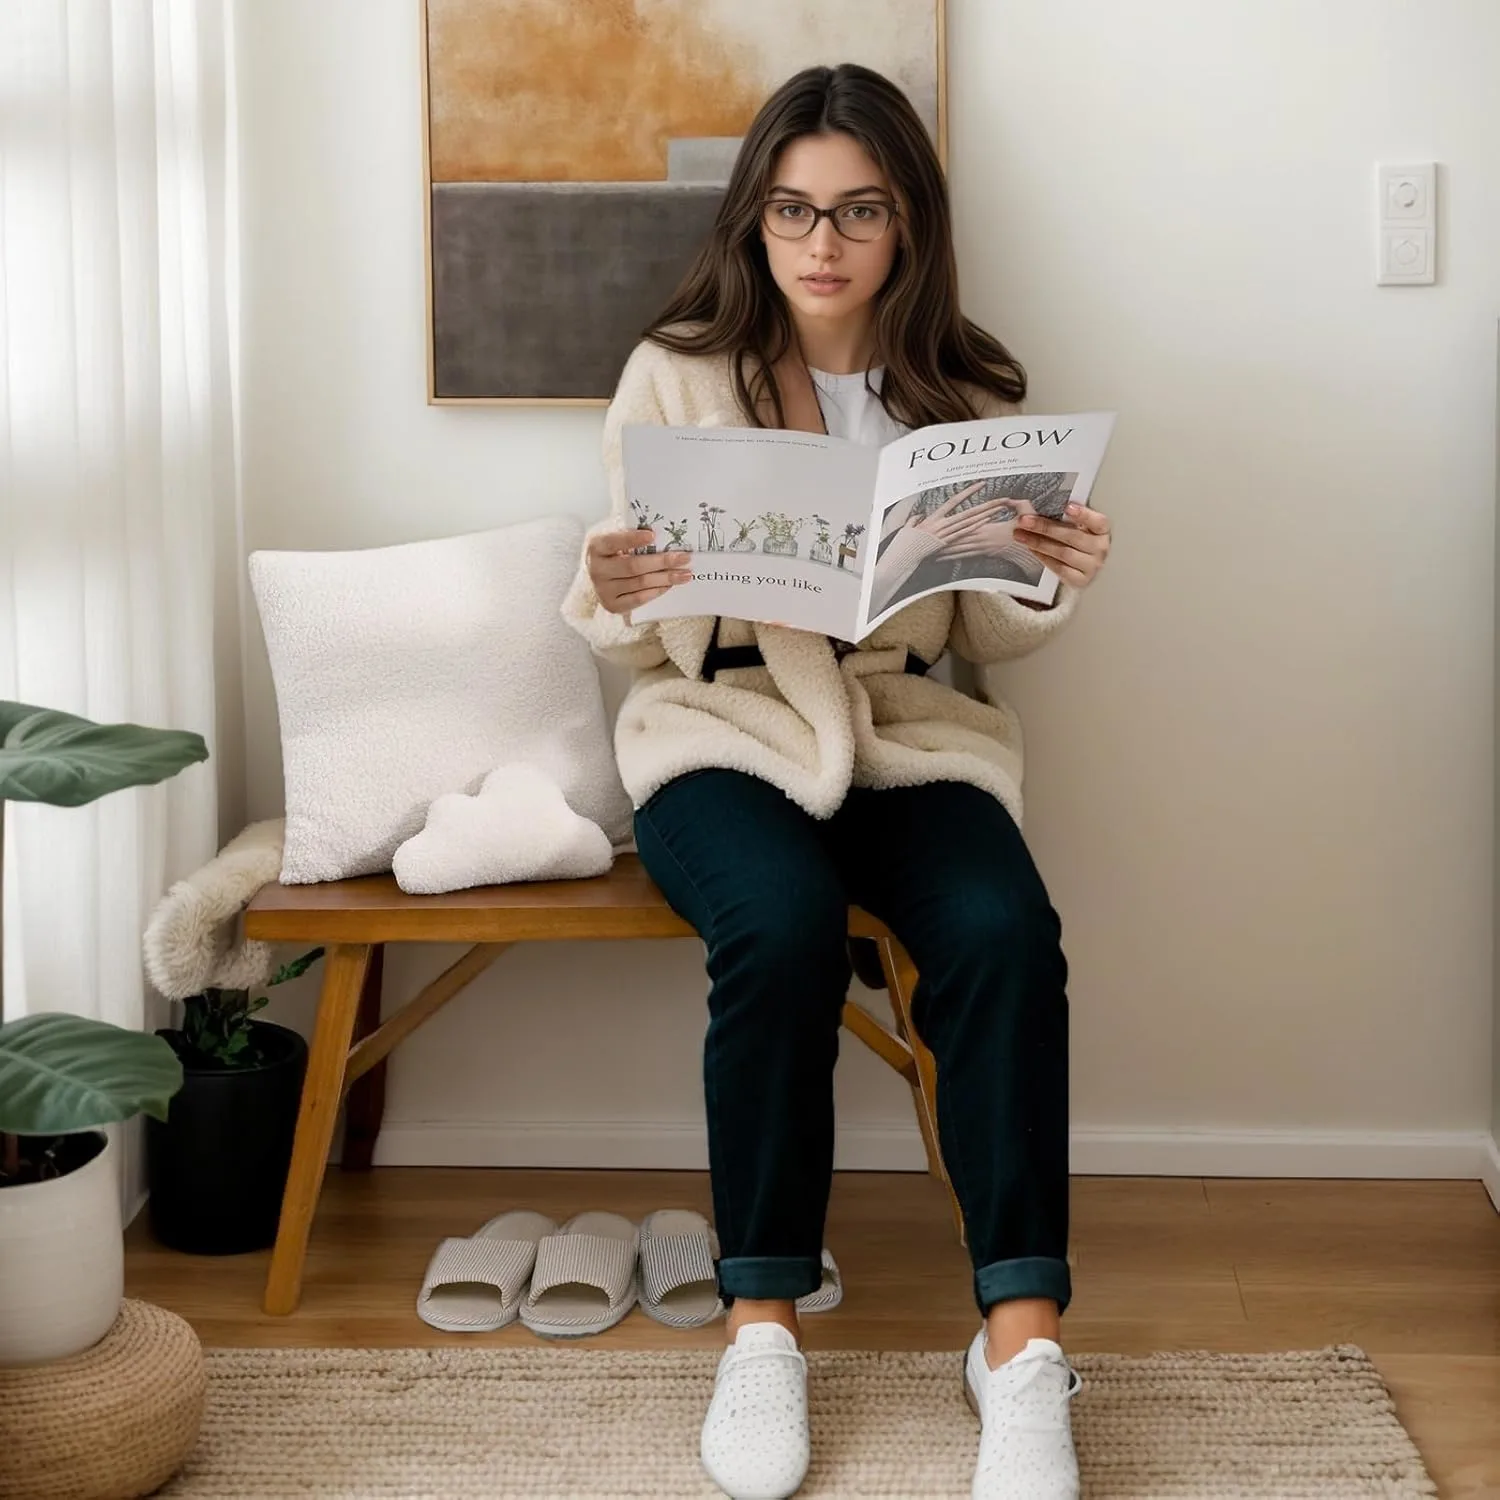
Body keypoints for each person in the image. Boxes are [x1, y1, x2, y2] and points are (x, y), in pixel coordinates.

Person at [561, 62, 1113, 1500]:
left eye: (859, 211)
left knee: (1004, 937)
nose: (824, 244)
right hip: (720, 733)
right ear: (755, 220)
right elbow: (638, 631)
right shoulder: (674, 369)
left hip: (905, 732)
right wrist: (618, 582)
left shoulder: (971, 390)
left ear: (908, 224)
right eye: (796, 211)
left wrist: (1045, 577)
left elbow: (982, 636)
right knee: (783, 926)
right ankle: (760, 1326)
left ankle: (1021, 1346)